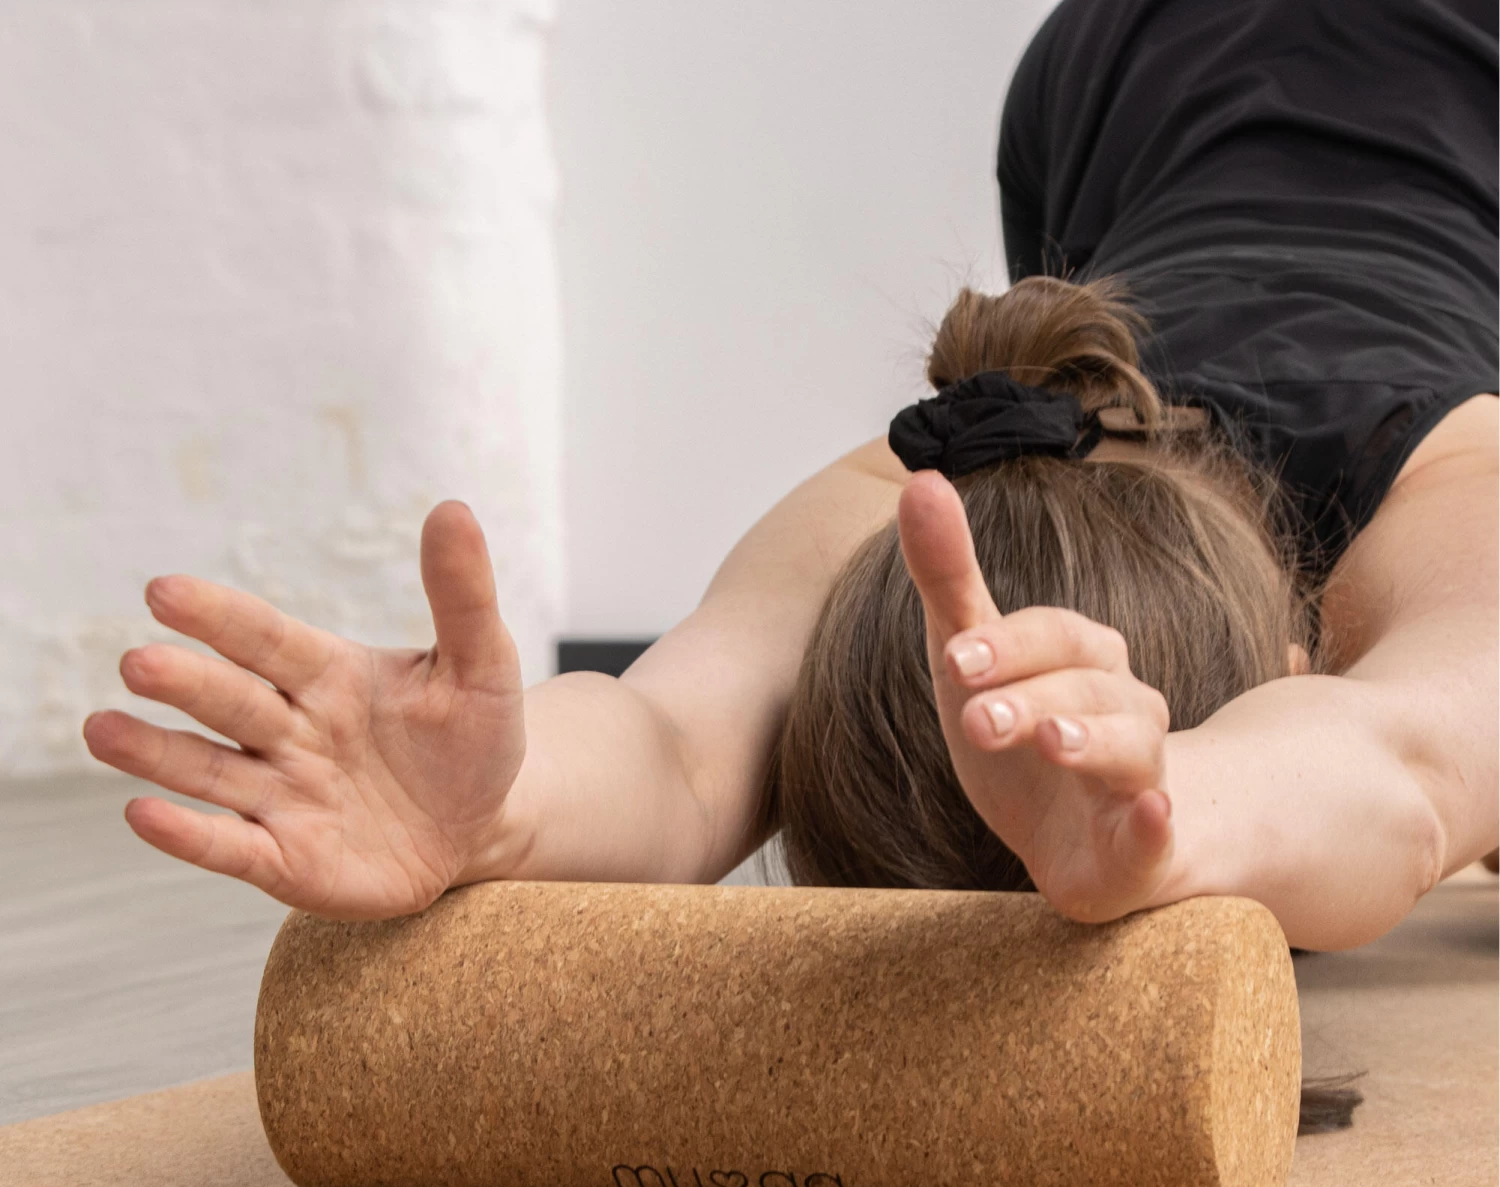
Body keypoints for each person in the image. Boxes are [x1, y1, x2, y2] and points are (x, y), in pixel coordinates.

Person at [83, 0, 1497, 953]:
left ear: (1303, 665)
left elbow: (1410, 774)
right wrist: (498, 805)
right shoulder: (940, 479)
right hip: (1120, 63)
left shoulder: (1461, 493)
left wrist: (1173, 821)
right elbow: (678, 746)